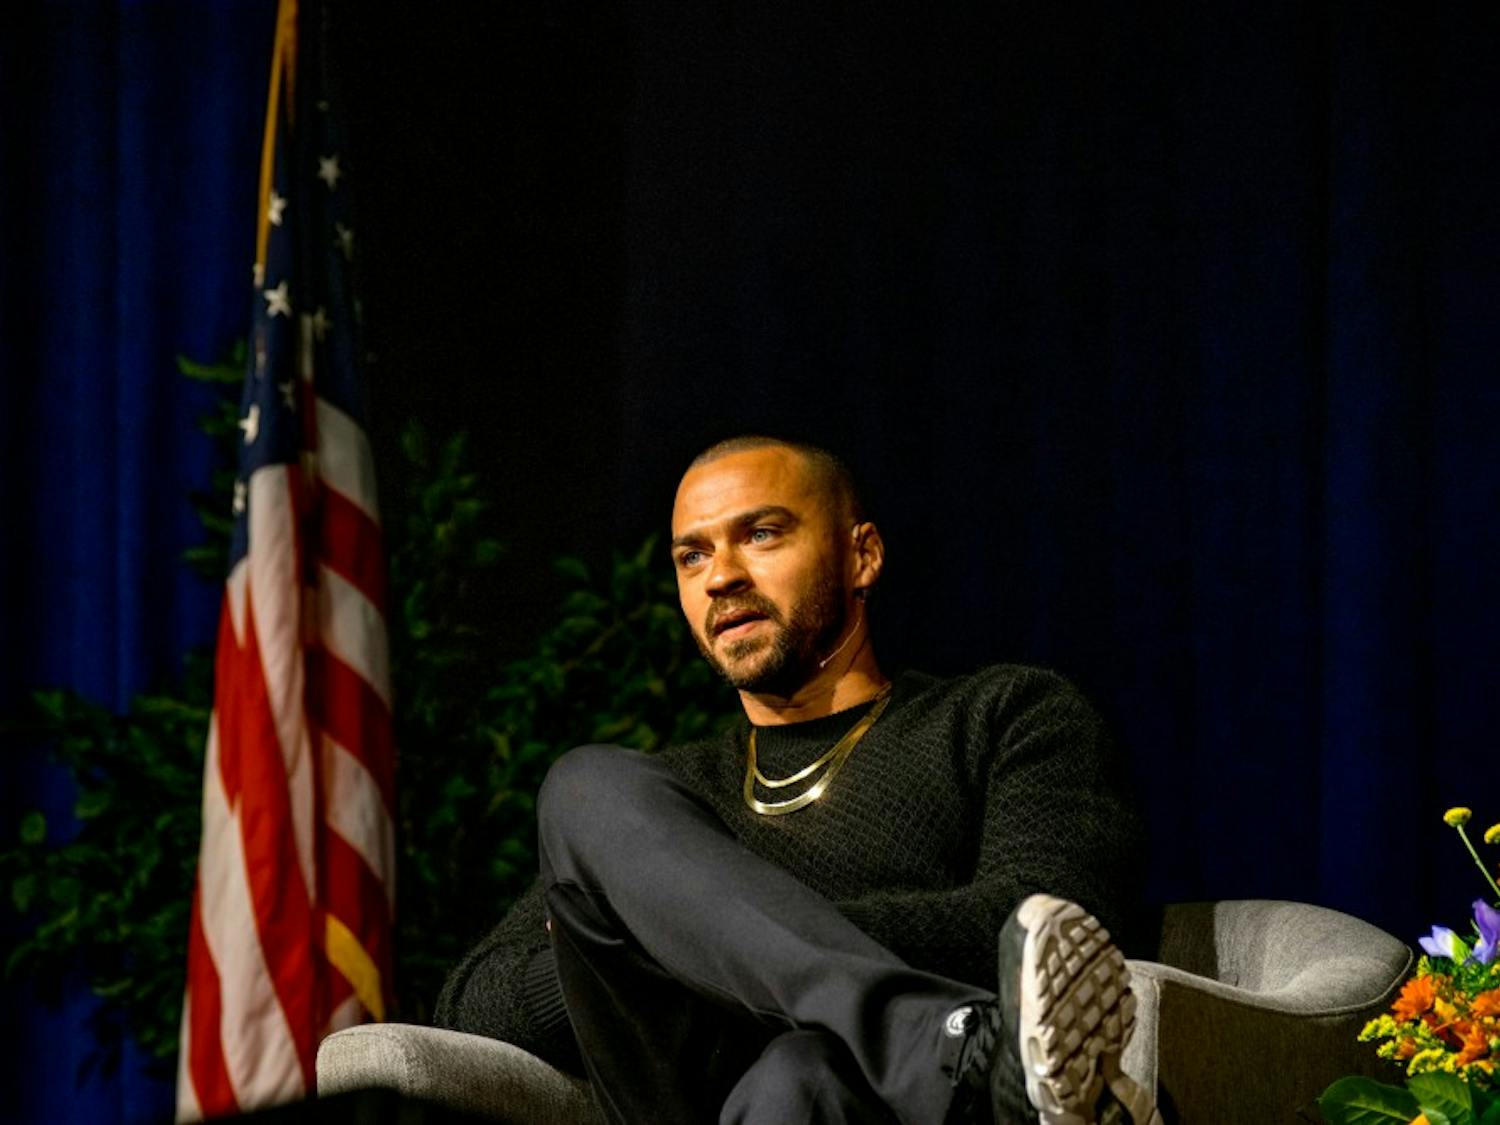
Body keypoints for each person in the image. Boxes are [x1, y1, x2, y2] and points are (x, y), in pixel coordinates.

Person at [436, 436, 1157, 1124]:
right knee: (583, 779)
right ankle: (929, 1040)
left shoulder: (1004, 715)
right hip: (685, 1104)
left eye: (761, 534)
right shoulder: (658, 803)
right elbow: (473, 1000)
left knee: (799, 1073)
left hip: (882, 1108)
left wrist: (684, 930)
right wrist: (722, 942)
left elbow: (1052, 933)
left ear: (863, 555)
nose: (721, 575)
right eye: (693, 555)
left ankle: (926, 1052)